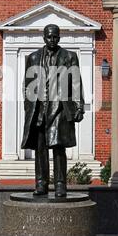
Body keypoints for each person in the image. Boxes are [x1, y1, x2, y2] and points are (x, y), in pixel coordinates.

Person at [21, 24, 85, 197]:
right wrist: (29, 107)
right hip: (39, 110)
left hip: (60, 109)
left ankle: (60, 184)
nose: (52, 40)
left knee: (58, 148)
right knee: (40, 149)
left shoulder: (69, 57)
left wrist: (79, 107)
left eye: (55, 37)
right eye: (49, 37)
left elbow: (77, 83)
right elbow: (27, 86)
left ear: (59, 37)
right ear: (44, 37)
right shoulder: (33, 58)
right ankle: (41, 183)